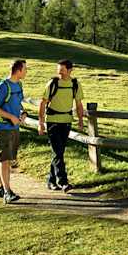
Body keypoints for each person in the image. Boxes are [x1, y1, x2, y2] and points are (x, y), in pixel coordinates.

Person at [37, 59, 86, 191]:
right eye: (58, 71)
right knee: (58, 152)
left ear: (70, 70)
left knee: (58, 152)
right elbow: (42, 103)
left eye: (62, 71)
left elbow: (79, 104)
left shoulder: (75, 84)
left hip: (67, 121)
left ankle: (51, 181)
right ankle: (63, 181)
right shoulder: (52, 83)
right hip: (52, 121)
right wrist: (41, 123)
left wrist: (80, 120)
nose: (60, 74)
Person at [0, 59, 29, 203]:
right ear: (18, 71)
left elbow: (18, 103)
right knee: (4, 160)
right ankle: (7, 193)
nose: (26, 71)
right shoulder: (3, 86)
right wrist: (11, 117)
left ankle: (0, 188)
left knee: (7, 159)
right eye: (25, 69)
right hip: (2, 127)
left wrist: (23, 113)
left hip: (14, 127)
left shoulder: (18, 84)